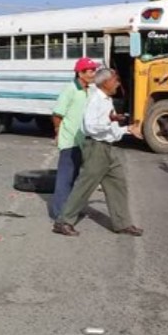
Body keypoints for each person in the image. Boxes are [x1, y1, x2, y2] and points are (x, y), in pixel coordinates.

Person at [53, 69, 144, 237]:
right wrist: (110, 121)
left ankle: (122, 223)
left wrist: (127, 129)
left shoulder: (107, 100)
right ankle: (64, 221)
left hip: (108, 148)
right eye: (115, 79)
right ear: (105, 83)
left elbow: (111, 129)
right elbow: (90, 126)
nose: (118, 83)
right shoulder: (95, 100)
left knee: (118, 184)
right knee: (85, 186)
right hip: (96, 148)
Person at [49, 57, 98, 219]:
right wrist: (58, 131)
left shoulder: (90, 90)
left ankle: (72, 207)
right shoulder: (70, 90)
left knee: (78, 178)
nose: (93, 74)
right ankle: (60, 214)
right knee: (65, 179)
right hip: (69, 141)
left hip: (84, 141)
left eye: (94, 70)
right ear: (80, 73)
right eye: (90, 71)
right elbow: (57, 114)